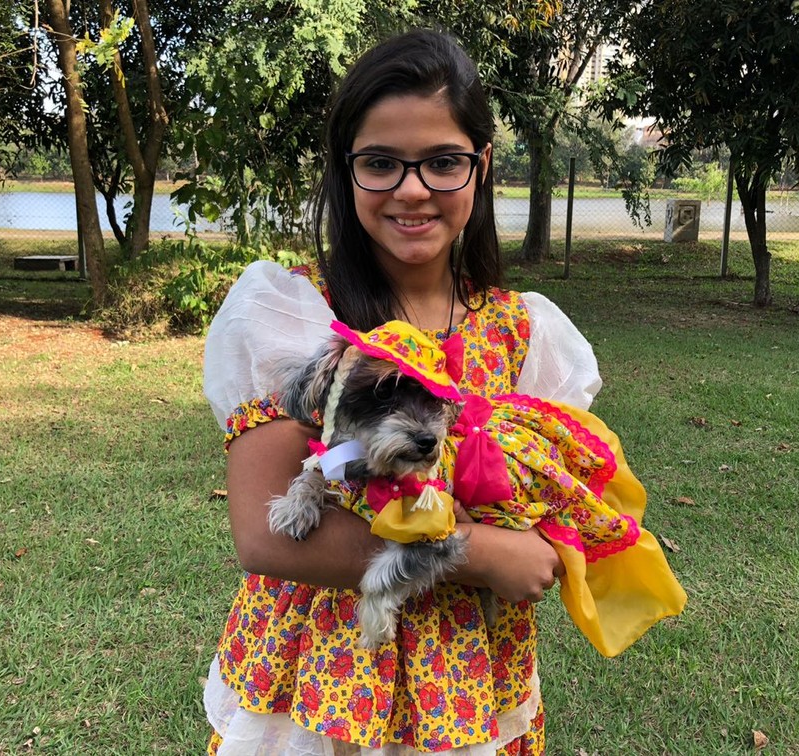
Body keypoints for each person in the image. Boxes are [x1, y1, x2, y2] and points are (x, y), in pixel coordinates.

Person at [201, 29, 683, 755]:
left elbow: (544, 494)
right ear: (346, 170)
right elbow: (266, 537)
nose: (412, 188)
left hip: (468, 677)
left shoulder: (524, 333)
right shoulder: (297, 315)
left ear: (481, 167)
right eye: (381, 163)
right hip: (326, 671)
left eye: (443, 162)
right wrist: (479, 552)